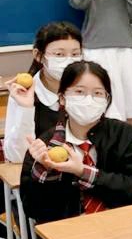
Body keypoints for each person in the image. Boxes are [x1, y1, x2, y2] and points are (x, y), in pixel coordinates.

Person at [20, 61, 132, 239]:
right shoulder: (45, 145)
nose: (89, 100)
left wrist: (83, 172)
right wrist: (44, 171)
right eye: (79, 92)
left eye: (98, 93)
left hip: (120, 235)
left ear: (107, 100)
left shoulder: (129, 136)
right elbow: (35, 210)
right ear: (62, 98)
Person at [4, 22, 125, 163]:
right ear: (38, 55)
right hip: (42, 171)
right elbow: (17, 157)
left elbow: (119, 139)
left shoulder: (94, 88)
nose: (68, 60)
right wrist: (26, 108)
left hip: (89, 170)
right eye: (59, 54)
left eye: (75, 54)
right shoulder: (23, 93)